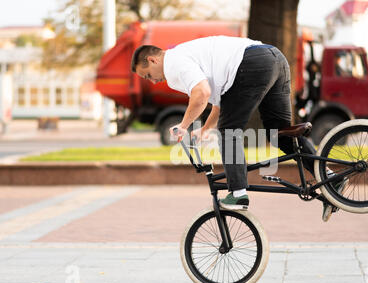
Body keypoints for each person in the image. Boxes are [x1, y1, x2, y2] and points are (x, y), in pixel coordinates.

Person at [130, 36, 345, 221]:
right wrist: (205, 129)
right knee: (281, 133)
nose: (153, 82)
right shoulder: (189, 56)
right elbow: (219, 102)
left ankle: (238, 193)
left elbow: (201, 93)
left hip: (251, 63)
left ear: (152, 59)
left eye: (148, 75)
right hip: (274, 59)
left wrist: (184, 126)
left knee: (229, 132)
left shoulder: (175, 62)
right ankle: (330, 177)